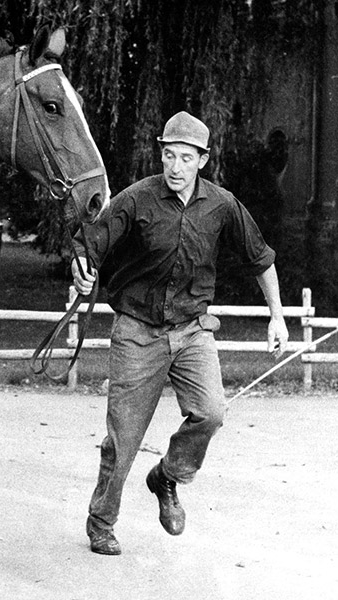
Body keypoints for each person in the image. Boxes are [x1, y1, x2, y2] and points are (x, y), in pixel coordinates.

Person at [71, 111, 289, 555]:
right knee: (124, 437)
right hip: (137, 331)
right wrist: (81, 271)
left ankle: (167, 476)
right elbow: (88, 242)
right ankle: (101, 521)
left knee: (211, 412)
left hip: (192, 330)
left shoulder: (222, 205)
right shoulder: (137, 199)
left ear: (202, 161)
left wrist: (278, 317)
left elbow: (261, 259)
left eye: (185, 158)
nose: (175, 166)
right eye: (168, 155)